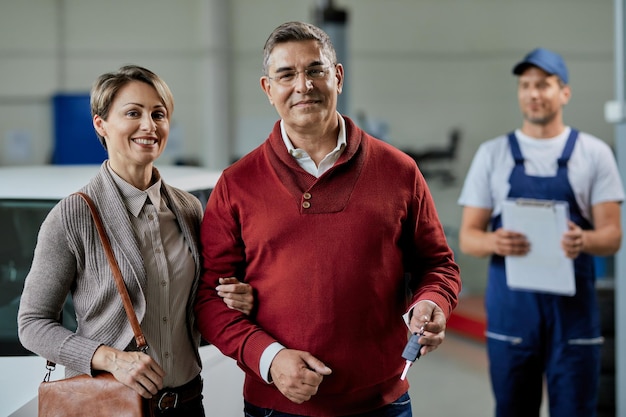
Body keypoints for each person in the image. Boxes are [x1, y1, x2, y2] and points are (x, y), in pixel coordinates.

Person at [194, 21, 461, 417]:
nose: (303, 85)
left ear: (337, 77)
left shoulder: (399, 171)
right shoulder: (237, 183)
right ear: (269, 90)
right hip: (277, 406)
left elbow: (438, 264)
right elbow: (208, 297)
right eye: (286, 75)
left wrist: (432, 302)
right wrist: (270, 358)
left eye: (314, 70)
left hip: (382, 402)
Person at [17, 65, 254, 417]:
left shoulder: (188, 209)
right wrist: (111, 358)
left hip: (187, 403)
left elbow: (195, 306)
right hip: (110, 405)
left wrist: (238, 297)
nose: (149, 125)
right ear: (101, 124)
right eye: (133, 113)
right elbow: (32, 324)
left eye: (159, 114)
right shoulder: (73, 215)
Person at [458, 47, 624, 417]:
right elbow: (469, 236)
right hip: (512, 315)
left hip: (574, 315)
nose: (534, 93)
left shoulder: (593, 154)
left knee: (577, 411)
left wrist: (585, 239)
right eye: (526, 85)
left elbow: (613, 235)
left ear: (564, 92)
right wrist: (493, 241)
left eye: (544, 85)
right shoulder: (492, 154)